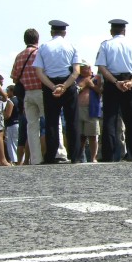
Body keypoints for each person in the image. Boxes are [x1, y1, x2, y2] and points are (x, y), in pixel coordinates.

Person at [96, 19, 132, 162]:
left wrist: (115, 82)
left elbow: (102, 67)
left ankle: (110, 155)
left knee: (110, 120)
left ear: (111, 31)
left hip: (113, 82)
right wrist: (131, 82)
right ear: (124, 31)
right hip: (130, 81)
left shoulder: (105, 45)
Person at [33, 20, 81, 164]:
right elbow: (76, 71)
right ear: (64, 32)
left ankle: (51, 155)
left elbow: (39, 72)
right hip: (68, 84)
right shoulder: (72, 46)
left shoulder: (43, 47)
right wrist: (64, 86)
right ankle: (75, 155)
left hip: (50, 84)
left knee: (51, 122)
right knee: (72, 121)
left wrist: (53, 87)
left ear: (51, 32)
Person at [11, 28, 43, 165]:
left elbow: (14, 77)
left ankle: (35, 158)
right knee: (47, 124)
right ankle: (50, 153)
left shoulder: (19, 56)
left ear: (25, 40)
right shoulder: (40, 53)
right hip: (41, 91)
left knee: (32, 126)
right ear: (37, 39)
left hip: (27, 93)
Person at [77, 60, 102, 162]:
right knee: (80, 136)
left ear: (89, 68)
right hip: (79, 109)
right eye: (81, 68)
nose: (82, 70)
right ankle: (79, 157)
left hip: (92, 109)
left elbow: (101, 91)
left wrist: (91, 85)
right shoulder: (76, 78)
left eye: (84, 68)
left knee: (93, 135)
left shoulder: (96, 77)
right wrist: (84, 83)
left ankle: (93, 157)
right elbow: (75, 90)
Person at [3, 85, 20, 164]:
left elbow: (7, 115)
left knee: (12, 143)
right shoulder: (19, 100)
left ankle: (14, 160)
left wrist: (2, 114)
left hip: (12, 124)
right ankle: (20, 159)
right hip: (19, 123)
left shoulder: (10, 101)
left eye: (8, 91)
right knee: (18, 142)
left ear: (12, 91)